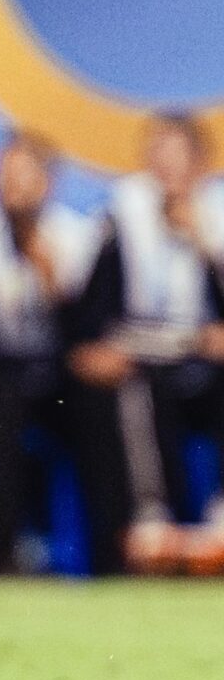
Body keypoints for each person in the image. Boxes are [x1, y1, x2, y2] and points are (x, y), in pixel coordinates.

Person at [0, 132, 114, 574]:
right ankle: (5, 554)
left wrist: (56, 288)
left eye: (22, 176)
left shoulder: (79, 239)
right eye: (2, 175)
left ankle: (109, 553)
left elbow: (88, 334)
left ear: (49, 182)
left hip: (58, 375)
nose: (10, 187)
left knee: (99, 399)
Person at [65, 114, 224, 574]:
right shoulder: (121, 216)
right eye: (159, 157)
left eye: (178, 158)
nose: (168, 171)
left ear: (200, 164)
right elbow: (92, 306)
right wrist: (89, 346)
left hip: (202, 355)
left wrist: (204, 242)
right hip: (141, 353)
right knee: (129, 388)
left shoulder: (216, 215)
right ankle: (149, 521)